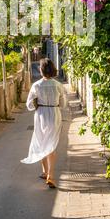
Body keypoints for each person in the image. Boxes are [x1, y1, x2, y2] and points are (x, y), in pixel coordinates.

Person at [21, 58, 67, 189]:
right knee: (51, 145)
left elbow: (29, 105)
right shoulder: (58, 85)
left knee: (41, 142)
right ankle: (50, 175)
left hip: (41, 114)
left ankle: (45, 172)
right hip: (54, 114)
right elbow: (63, 104)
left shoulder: (36, 85)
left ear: (41, 70)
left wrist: (37, 101)